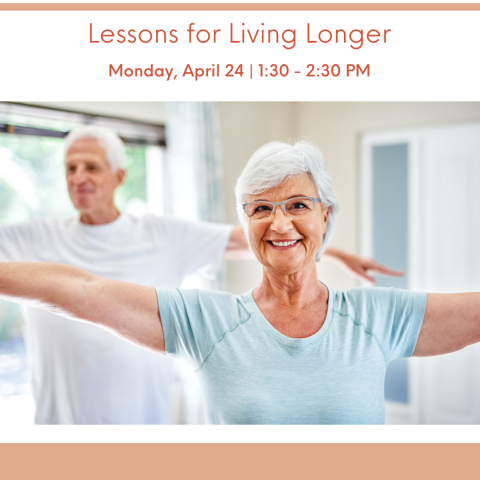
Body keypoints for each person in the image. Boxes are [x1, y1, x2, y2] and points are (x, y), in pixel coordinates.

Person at [2, 140, 479, 424]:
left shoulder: (380, 316)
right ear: (245, 224)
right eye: (260, 208)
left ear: (325, 215)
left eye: (297, 204)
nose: (279, 224)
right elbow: (82, 291)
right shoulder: (207, 322)